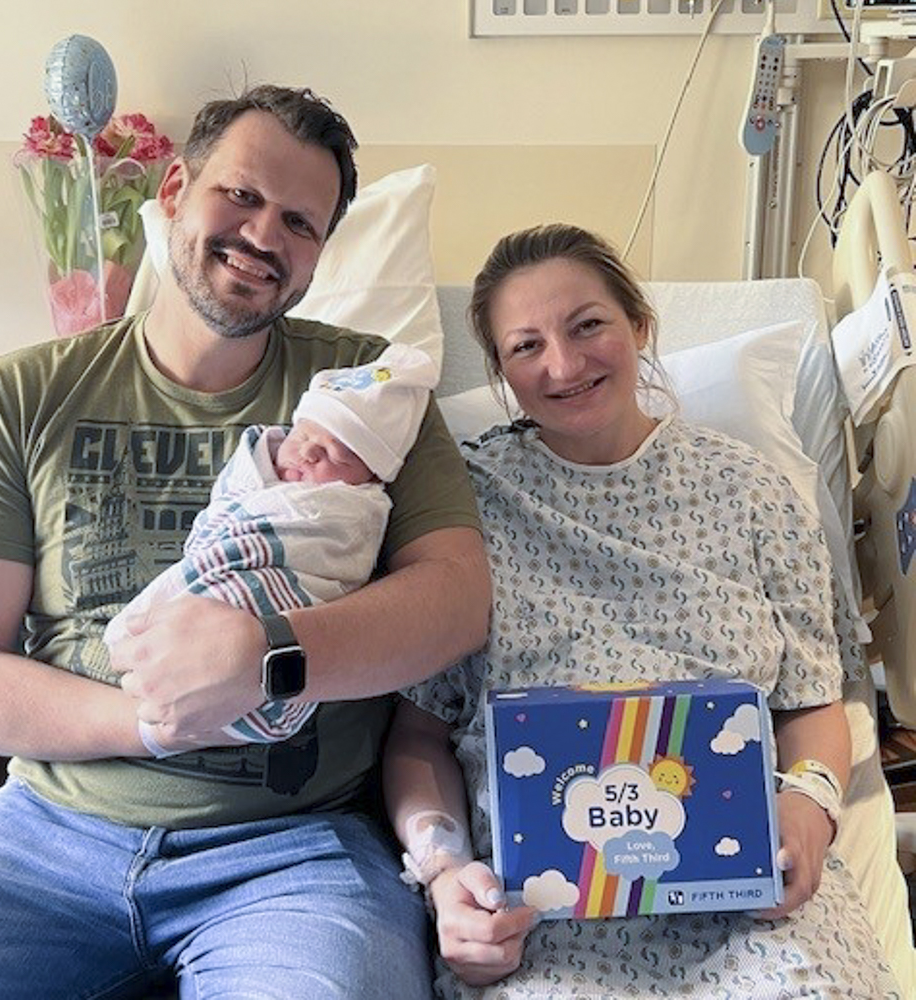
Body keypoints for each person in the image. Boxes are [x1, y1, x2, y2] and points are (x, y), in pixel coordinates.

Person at [0, 85, 491, 999]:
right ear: (175, 189)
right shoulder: (24, 395)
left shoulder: (367, 387)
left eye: (300, 223)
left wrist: (268, 658)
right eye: (242, 196)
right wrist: (151, 722)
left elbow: (456, 598)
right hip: (46, 839)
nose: (264, 236)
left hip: (294, 853)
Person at [383, 223, 903, 998]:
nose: (564, 365)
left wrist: (810, 804)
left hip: (744, 899)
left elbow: (812, 701)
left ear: (640, 325)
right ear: (501, 371)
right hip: (542, 917)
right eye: (526, 347)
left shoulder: (750, 492)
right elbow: (418, 733)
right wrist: (443, 872)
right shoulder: (465, 508)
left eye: (587, 325)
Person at [104, 342, 439, 754]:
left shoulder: (353, 510)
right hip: (222, 566)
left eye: (338, 454)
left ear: (370, 479)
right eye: (304, 435)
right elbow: (222, 521)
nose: (309, 452)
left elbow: (333, 559)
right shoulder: (257, 467)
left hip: (281, 597)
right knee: (155, 631)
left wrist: (256, 650)